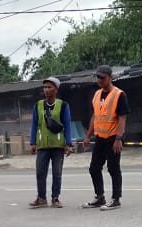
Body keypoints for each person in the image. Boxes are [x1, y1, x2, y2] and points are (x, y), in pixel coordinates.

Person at [81, 65, 128, 209]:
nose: (99, 80)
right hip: (100, 138)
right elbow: (95, 116)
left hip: (113, 138)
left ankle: (116, 199)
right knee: (94, 168)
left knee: (113, 168)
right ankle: (100, 197)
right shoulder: (96, 95)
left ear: (110, 77)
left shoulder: (119, 95)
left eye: (102, 77)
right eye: (98, 77)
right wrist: (88, 136)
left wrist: (119, 138)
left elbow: (122, 118)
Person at [28, 76, 73, 208]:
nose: (46, 90)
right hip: (42, 145)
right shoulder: (38, 106)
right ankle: (41, 198)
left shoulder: (63, 106)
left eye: (49, 87)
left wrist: (68, 144)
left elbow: (67, 125)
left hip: (58, 145)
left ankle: (55, 198)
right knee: (40, 172)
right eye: (45, 87)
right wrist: (32, 142)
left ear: (56, 89)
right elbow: (34, 124)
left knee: (57, 173)